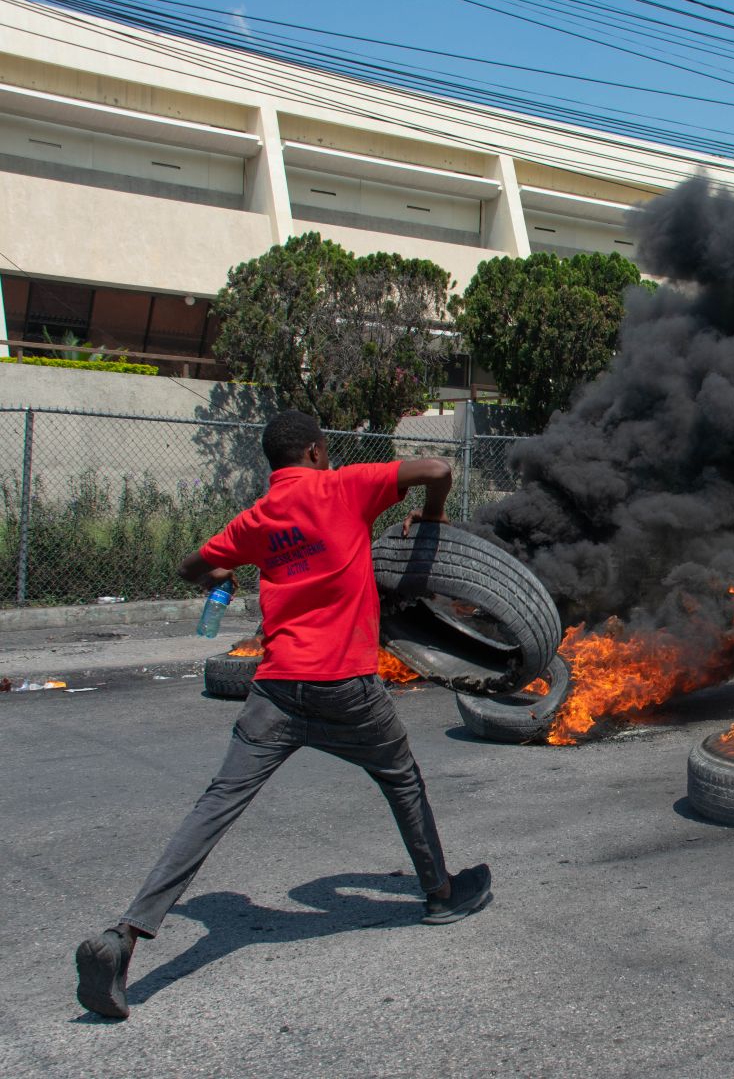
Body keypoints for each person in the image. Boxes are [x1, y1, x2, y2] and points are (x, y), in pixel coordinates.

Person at [75, 409, 492, 1020]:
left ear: (274, 463)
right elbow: (437, 466)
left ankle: (126, 935)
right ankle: (440, 894)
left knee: (216, 804)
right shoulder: (344, 486)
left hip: (275, 691)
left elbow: (191, 566)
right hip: (346, 685)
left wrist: (228, 570)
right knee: (401, 779)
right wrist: (430, 519)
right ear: (319, 453)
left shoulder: (256, 519)